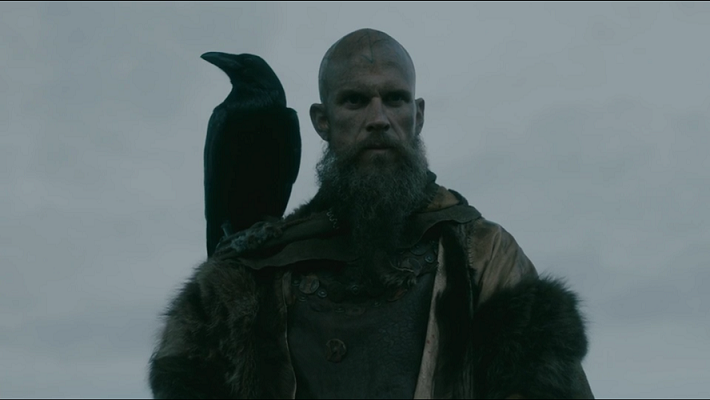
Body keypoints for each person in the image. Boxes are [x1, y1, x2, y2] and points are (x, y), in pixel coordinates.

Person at [148, 28, 594, 399]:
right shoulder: (244, 278)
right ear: (321, 120)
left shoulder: (484, 257)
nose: (378, 118)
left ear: (418, 115)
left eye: (395, 99)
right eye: (355, 101)